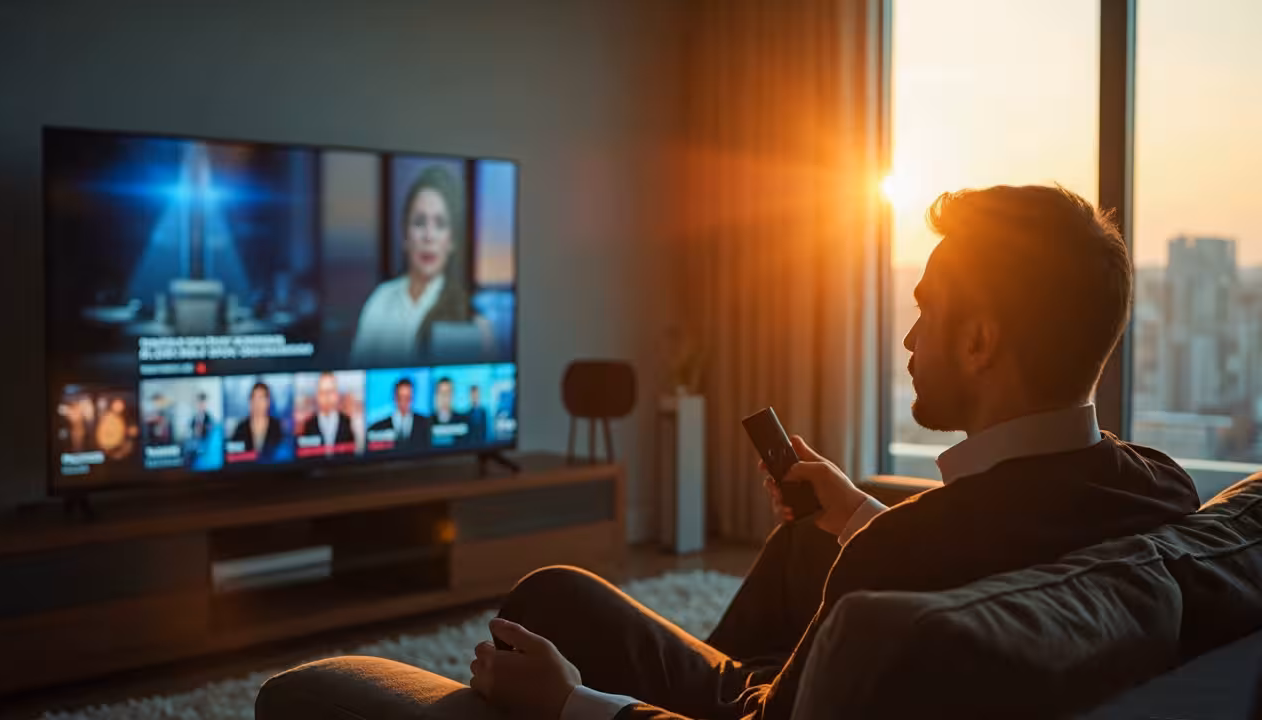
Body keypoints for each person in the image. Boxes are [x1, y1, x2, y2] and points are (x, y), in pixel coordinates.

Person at [465, 186, 1202, 720]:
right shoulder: (1163, 489)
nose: (910, 340)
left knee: (553, 594)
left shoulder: (902, 553)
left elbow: (931, 559)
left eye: (926, 312)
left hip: (771, 711)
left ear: (979, 342)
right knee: (802, 539)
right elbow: (994, 562)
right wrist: (857, 513)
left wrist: (572, 701)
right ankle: (708, 666)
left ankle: (682, 688)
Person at [350, 165, 489, 366]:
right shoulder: (380, 302)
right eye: (419, 223)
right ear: (405, 235)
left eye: (440, 224)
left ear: (452, 241)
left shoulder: (474, 321)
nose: (428, 236)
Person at [368, 378, 432, 451]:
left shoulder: (425, 424)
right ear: (394, 397)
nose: (404, 403)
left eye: (407, 398)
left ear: (412, 398)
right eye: (400, 398)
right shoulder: (377, 428)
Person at [230, 382, 284, 461]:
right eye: (254, 399)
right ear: (250, 402)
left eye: (261, 398)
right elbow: (233, 456)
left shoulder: (276, 426)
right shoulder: (241, 427)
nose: (257, 403)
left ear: (268, 402)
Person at [301, 372, 355, 448]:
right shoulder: (309, 425)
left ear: (337, 394)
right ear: (317, 396)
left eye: (330, 391)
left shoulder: (346, 421)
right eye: (323, 392)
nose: (327, 397)